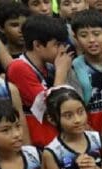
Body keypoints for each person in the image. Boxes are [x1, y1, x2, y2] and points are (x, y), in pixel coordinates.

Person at [6, 15, 72, 148]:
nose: (62, 50)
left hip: (53, 136)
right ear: (37, 45)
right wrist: (61, 73)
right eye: (57, 45)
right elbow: (50, 105)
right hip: (36, 141)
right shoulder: (18, 68)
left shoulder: (50, 65)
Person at [71, 10, 102, 132]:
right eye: (84, 35)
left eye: (96, 34)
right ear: (76, 38)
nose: (91, 40)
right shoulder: (74, 66)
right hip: (93, 130)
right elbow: (75, 103)